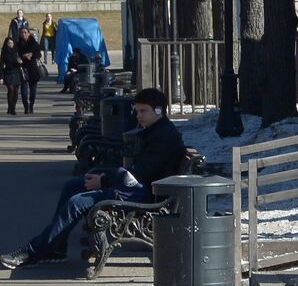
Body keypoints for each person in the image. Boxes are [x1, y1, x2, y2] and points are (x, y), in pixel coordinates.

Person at [1, 88, 185, 269]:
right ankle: (56, 247)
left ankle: (35, 252)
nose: (138, 115)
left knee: (77, 202)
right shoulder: (155, 131)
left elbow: (140, 174)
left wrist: (103, 181)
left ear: (159, 110)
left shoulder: (163, 137)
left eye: (143, 111)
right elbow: (136, 172)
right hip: (137, 189)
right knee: (73, 186)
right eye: (137, 111)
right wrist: (103, 176)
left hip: (145, 198)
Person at [15, 26, 40, 114]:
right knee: (24, 91)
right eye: (22, 32)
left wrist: (32, 55)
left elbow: (38, 55)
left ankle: (31, 105)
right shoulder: (18, 44)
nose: (23, 34)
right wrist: (21, 57)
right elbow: (16, 54)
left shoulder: (34, 43)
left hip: (33, 68)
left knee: (33, 91)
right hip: (23, 69)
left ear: (29, 33)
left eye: (25, 32)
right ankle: (25, 107)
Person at [2, 36, 21, 115]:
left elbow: (21, 62)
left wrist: (20, 62)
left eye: (12, 43)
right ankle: (10, 107)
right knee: (10, 89)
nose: (10, 44)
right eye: (9, 43)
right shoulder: (4, 53)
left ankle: (12, 107)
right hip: (8, 73)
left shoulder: (16, 51)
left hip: (16, 72)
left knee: (16, 92)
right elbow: (1, 65)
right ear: (6, 44)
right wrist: (1, 77)